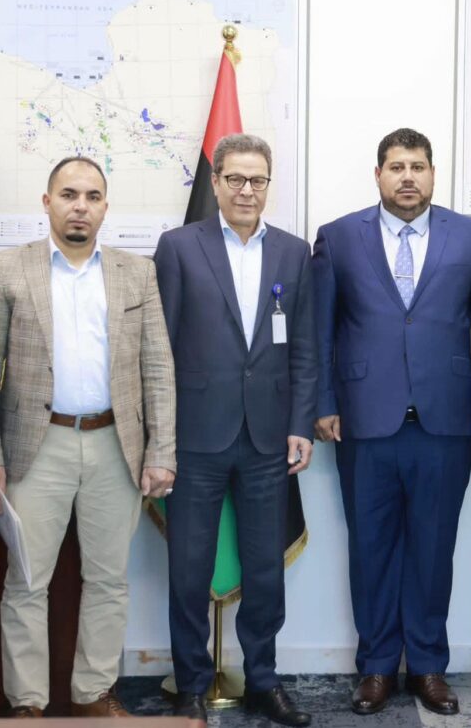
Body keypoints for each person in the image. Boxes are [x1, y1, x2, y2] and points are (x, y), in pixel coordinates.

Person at [313, 127, 471, 716]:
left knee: (432, 548)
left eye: (418, 167)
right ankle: (376, 667)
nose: (408, 177)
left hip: (444, 421)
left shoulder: (470, 237)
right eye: (397, 167)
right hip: (363, 421)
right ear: (378, 174)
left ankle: (427, 666)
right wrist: (322, 402)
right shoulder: (337, 237)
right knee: (370, 548)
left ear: (432, 174)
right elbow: (318, 331)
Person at [0, 156, 176, 717]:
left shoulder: (137, 273)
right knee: (26, 581)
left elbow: (158, 367)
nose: (80, 206)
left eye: (91, 196)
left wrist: (161, 449)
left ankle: (93, 696)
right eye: (68, 195)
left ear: (105, 207)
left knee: (109, 580)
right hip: (35, 448)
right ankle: (28, 705)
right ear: (47, 203)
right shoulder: (9, 270)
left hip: (116, 445)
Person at [154, 134, 316, 726]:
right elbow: (159, 349)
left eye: (258, 180)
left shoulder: (294, 252)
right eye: (236, 179)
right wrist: (160, 436)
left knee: (264, 568)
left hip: (268, 437)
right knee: (189, 569)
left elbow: (304, 347)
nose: (247, 190)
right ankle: (192, 685)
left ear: (269, 185)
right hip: (195, 435)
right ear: (216, 183)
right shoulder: (179, 247)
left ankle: (263, 681)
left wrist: (301, 424)